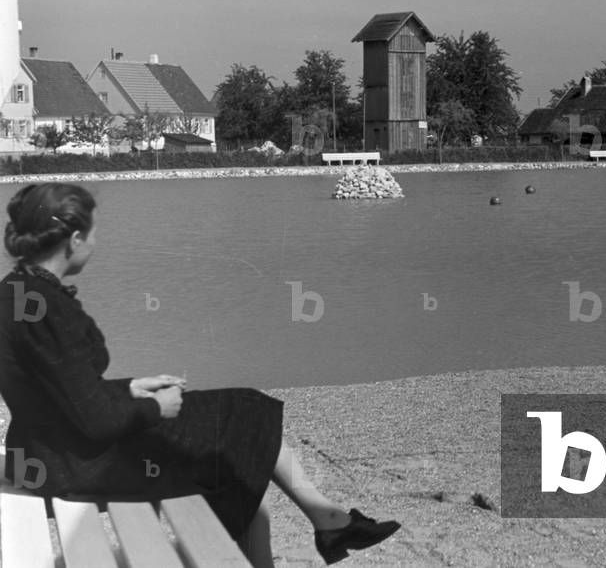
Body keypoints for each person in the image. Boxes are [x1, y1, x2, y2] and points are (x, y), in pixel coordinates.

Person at [0, 183, 399, 566]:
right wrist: (156, 409)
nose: (94, 243)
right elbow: (96, 420)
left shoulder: (18, 291)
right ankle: (327, 524)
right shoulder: (47, 308)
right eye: (93, 233)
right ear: (73, 239)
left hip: (44, 450)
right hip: (72, 464)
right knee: (243, 440)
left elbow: (54, 387)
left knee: (246, 420)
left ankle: (326, 521)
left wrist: (132, 387)